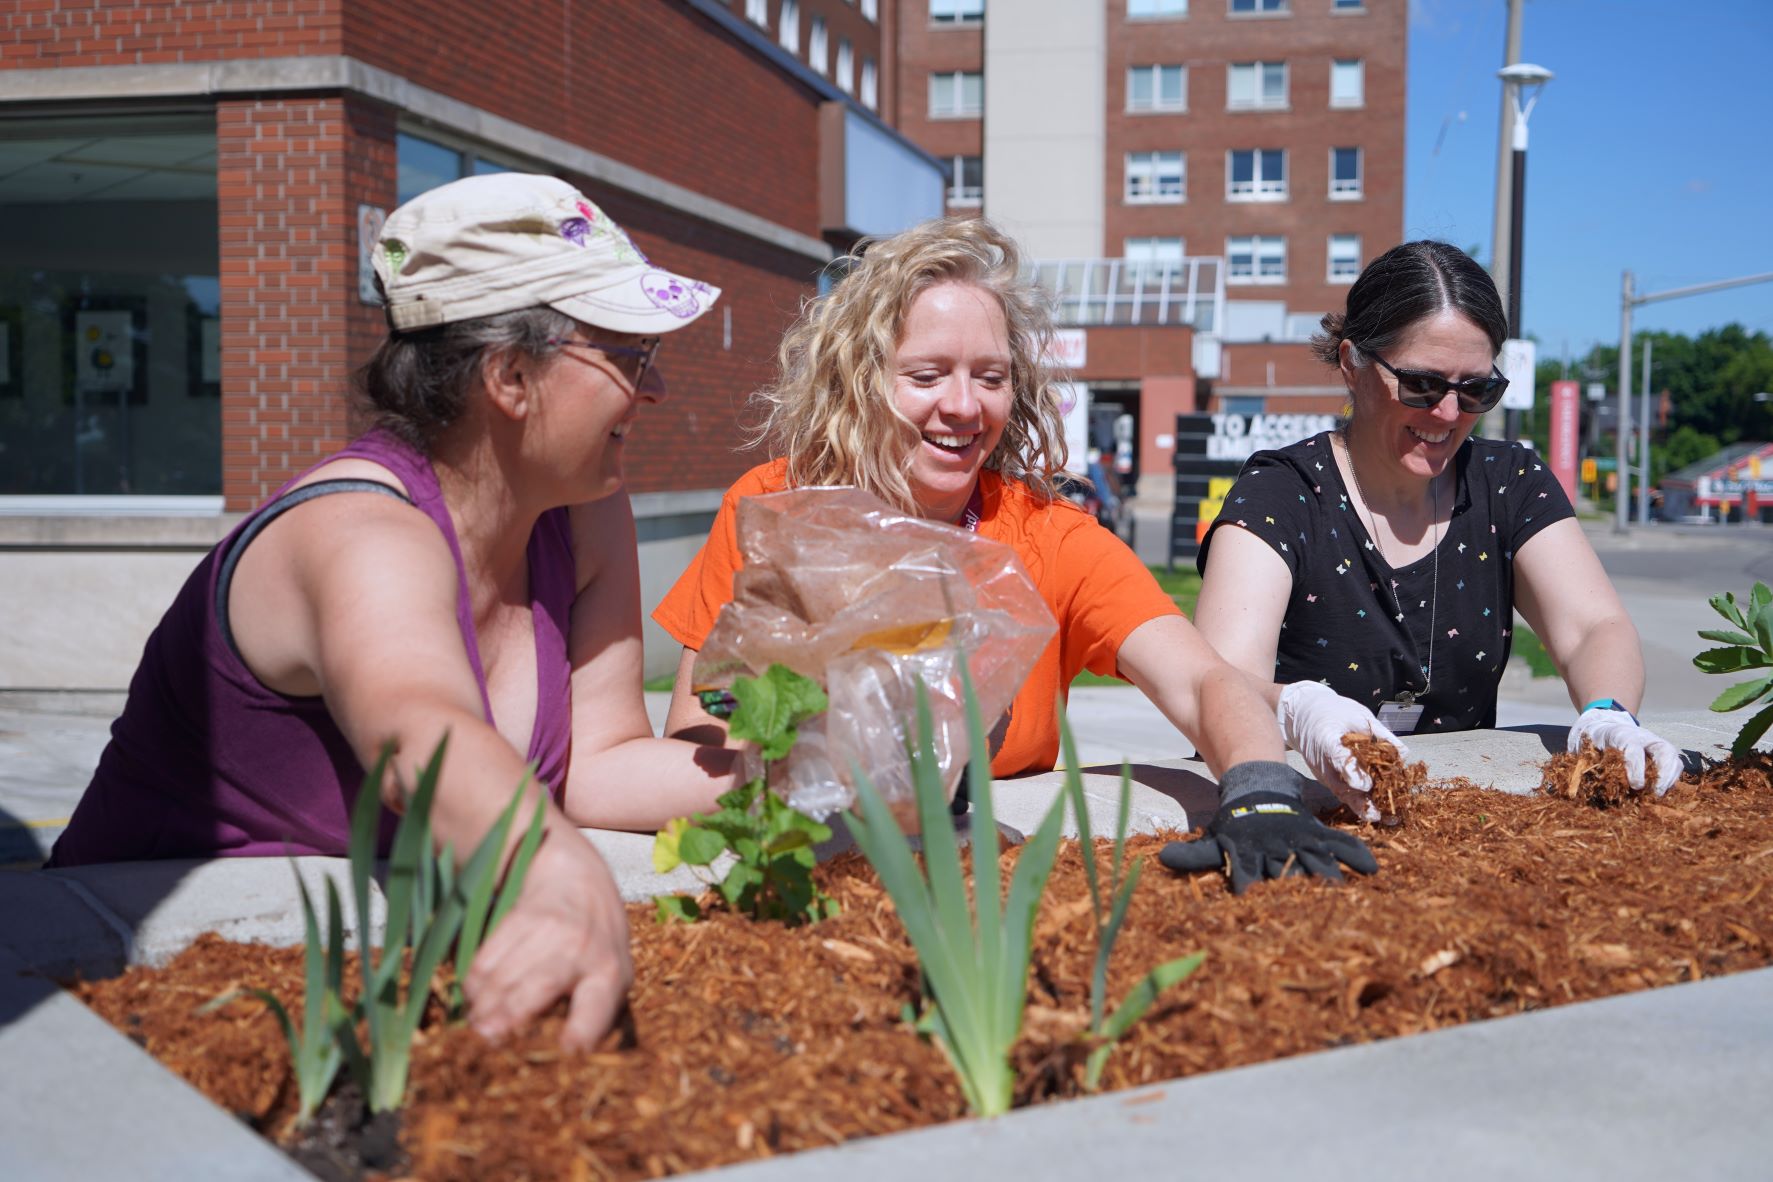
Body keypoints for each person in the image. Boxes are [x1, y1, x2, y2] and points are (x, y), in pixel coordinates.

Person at [49, 173, 745, 1047]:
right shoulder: (358, 533)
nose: (656, 389)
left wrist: (824, 771)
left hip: (347, 975)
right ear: (510, 375)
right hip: (136, 985)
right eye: (627, 354)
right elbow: (420, 733)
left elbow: (598, 767)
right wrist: (556, 875)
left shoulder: (584, 510)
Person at [654, 217, 1377, 893]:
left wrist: (1257, 791)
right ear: (859, 382)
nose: (965, 407)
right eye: (927, 375)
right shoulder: (775, 508)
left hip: (991, 878)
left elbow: (1203, 684)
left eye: (991, 377)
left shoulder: (1049, 537)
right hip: (810, 866)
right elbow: (698, 723)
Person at [1193, 240, 1682, 803]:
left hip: (1461, 812)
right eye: (1421, 385)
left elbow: (1595, 628)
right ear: (1353, 365)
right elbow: (1218, 681)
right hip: (1303, 804)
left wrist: (1607, 713)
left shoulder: (1509, 483)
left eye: (1476, 390)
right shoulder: (1282, 495)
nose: (1448, 414)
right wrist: (1297, 710)